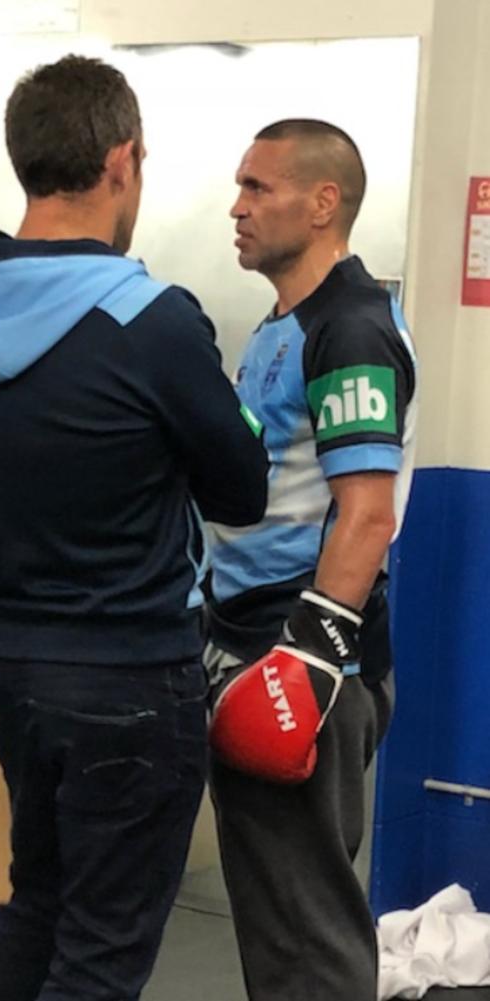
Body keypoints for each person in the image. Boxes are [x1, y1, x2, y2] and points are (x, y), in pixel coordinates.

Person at [0, 55, 269, 1001]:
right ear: (124, 159)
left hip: (16, 666)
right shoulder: (151, 322)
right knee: (101, 953)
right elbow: (241, 491)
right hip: (131, 675)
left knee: (37, 906)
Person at [205, 119, 418, 1001]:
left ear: (323, 201)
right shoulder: (283, 323)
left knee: (308, 930)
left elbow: (367, 516)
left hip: (305, 662)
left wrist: (304, 660)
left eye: (258, 187)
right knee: (275, 917)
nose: (238, 207)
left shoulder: (352, 327)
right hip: (248, 638)